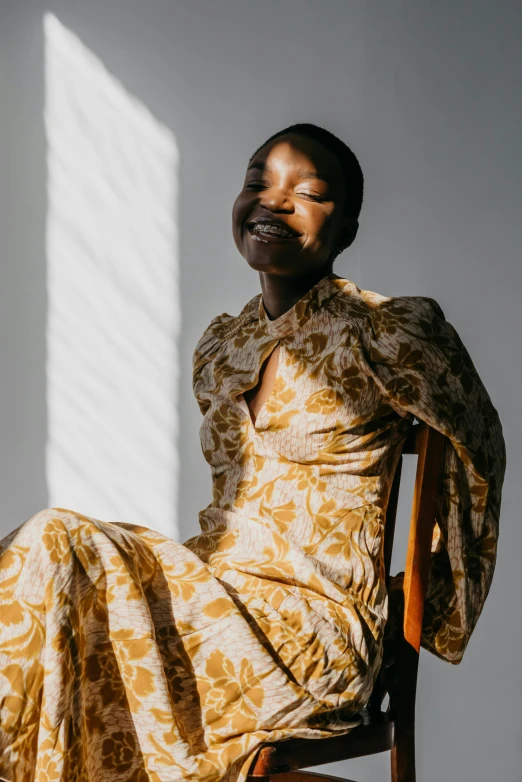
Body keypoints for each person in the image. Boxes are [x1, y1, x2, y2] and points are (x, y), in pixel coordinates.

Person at [0, 124, 506, 782]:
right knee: (59, 593)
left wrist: (424, 609)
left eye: (309, 193)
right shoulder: (222, 344)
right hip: (213, 605)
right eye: (257, 184)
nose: (274, 201)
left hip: (309, 635)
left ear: (348, 227)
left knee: (58, 540)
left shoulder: (389, 332)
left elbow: (479, 447)